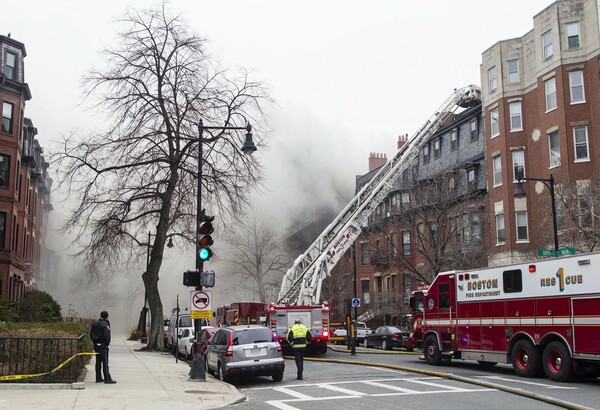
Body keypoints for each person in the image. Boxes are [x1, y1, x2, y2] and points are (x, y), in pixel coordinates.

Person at [90, 311, 116, 384]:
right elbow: (107, 335)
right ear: (107, 316)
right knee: (105, 362)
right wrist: (106, 344)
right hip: (103, 345)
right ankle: (107, 378)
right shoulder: (105, 324)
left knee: (98, 362)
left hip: (96, 345)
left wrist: (95, 341)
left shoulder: (95, 324)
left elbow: (91, 334)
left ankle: (98, 378)